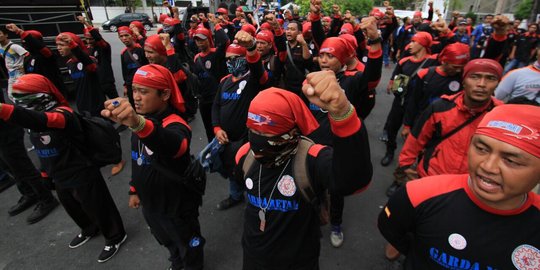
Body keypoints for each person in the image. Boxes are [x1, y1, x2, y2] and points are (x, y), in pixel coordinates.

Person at [235, 70, 373, 269]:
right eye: (254, 131)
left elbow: (355, 180)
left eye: (269, 134)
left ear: (292, 131)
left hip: (299, 261)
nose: (258, 140)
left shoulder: (311, 159)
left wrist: (343, 114)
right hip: (253, 258)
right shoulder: (244, 156)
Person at [378, 103, 540, 269]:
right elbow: (391, 229)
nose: (488, 166)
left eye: (511, 160)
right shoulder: (418, 194)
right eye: (482, 149)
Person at [0, 74, 126, 263]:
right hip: (57, 173)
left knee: (98, 206)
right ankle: (89, 229)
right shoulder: (32, 121)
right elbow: (40, 145)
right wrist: (44, 173)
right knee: (72, 207)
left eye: (22, 98)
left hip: (80, 170)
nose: (19, 103)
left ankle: (115, 236)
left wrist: (3, 110)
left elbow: (42, 120)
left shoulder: (63, 114)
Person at [101, 64, 204, 270]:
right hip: (151, 205)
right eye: (134, 90)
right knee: (166, 240)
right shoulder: (140, 122)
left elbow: (175, 145)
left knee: (188, 243)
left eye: (144, 91)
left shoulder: (175, 124)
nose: (136, 97)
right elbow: (137, 159)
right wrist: (133, 189)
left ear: (165, 94)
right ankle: (176, 261)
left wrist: (137, 123)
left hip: (176, 206)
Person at [386, 58, 504, 196]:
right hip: (432, 178)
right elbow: (417, 138)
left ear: (497, 83)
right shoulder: (440, 107)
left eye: (490, 78)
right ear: (464, 81)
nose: (482, 84)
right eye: (474, 77)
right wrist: (405, 165)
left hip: (470, 188)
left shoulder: (502, 116)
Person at [212, 31, 268, 210]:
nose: (230, 62)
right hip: (226, 140)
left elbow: (258, 69)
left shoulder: (254, 80)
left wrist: (251, 48)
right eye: (227, 59)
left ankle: (259, 204)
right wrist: (217, 128)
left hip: (247, 140)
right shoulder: (224, 81)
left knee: (253, 172)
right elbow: (216, 107)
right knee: (230, 170)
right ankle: (236, 196)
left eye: (234, 58)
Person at [380, 32, 439, 167]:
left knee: (417, 136)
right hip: (400, 103)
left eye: (414, 41)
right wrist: (393, 84)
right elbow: (396, 78)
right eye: (410, 41)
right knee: (391, 129)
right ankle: (390, 152)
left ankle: (410, 162)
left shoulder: (433, 61)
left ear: (423, 44)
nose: (410, 45)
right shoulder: (404, 61)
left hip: (419, 107)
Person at [402, 42, 470, 133]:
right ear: (444, 61)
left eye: (462, 67)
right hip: (423, 122)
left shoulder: (463, 77)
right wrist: (407, 125)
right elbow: (414, 101)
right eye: (455, 67)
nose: (458, 70)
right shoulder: (425, 74)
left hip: (448, 125)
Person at [192, 21, 230, 142]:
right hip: (204, 100)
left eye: (202, 39)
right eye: (197, 40)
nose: (199, 42)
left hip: (217, 98)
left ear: (209, 39)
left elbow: (225, 41)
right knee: (208, 129)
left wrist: (216, 24)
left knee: (221, 127)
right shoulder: (196, 58)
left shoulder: (216, 53)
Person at [56, 32, 106, 117]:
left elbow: (85, 60)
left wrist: (73, 45)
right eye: (57, 45)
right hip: (82, 106)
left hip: (96, 105)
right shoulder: (69, 64)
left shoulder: (90, 61)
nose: (58, 48)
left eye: (62, 45)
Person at [120, 26, 148, 107]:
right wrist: (125, 86)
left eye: (126, 35)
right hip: (131, 85)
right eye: (121, 36)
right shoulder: (123, 53)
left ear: (132, 36)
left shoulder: (140, 49)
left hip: (143, 83)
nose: (124, 38)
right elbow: (124, 71)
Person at [0, 25, 28, 101]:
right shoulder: (0, 47)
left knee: (23, 94)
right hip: (11, 75)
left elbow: (27, 55)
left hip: (19, 73)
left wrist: (24, 66)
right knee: (11, 95)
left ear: (6, 35)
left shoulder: (14, 46)